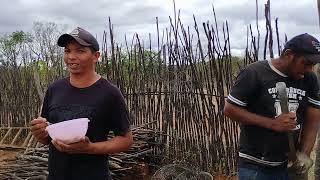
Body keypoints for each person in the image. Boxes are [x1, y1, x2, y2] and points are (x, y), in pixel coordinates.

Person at [30, 27, 133, 180]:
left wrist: (89, 148)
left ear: (96, 56)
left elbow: (126, 141)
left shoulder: (109, 93)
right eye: (67, 51)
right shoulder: (55, 89)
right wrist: (40, 132)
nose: (71, 56)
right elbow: (47, 137)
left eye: (80, 51)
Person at [224, 33, 320, 180]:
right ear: (289, 55)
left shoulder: (310, 79)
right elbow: (230, 110)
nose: (309, 69)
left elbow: (313, 119)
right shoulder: (254, 73)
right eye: (306, 63)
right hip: (255, 165)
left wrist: (304, 155)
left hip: (288, 164)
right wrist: (272, 124)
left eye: (312, 65)